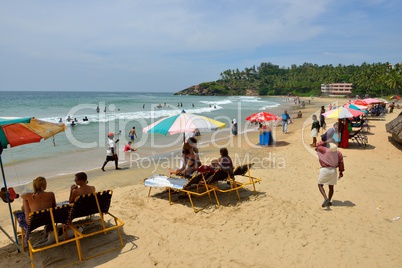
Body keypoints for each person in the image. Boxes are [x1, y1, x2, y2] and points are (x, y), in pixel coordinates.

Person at [316, 141, 345, 207]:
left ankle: (326, 198)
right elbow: (341, 162)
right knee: (331, 187)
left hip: (325, 170)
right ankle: (329, 201)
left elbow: (317, 145)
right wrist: (341, 172)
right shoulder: (338, 153)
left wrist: (325, 141)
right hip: (333, 170)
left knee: (320, 185)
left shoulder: (325, 151)